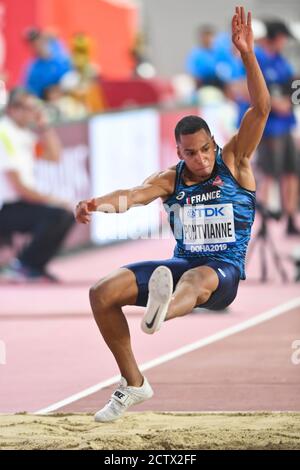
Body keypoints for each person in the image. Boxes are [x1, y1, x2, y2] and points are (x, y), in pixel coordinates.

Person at [75, 7, 271, 422]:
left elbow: (261, 107)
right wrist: (96, 204)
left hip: (223, 271)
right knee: (102, 293)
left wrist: (247, 54)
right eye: (189, 152)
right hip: (180, 264)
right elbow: (131, 196)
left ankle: (161, 312)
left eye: (204, 150)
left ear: (213, 144)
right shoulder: (171, 178)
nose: (199, 159)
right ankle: (133, 384)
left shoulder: (234, 161)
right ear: (178, 151)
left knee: (194, 280)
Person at [0, 88, 74, 282]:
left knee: (67, 214)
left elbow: (54, 156)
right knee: (58, 213)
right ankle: (22, 265)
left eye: (34, 108)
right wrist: (54, 200)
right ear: (12, 109)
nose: (31, 112)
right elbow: (18, 187)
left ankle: (34, 266)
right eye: (27, 108)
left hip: (20, 204)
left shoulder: (23, 134)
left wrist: (44, 126)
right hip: (6, 208)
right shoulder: (4, 134)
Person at [23, 28, 72, 99]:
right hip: (48, 103)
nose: (36, 44)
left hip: (68, 97)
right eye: (32, 43)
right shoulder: (32, 68)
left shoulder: (60, 55)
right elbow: (32, 92)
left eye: (38, 40)